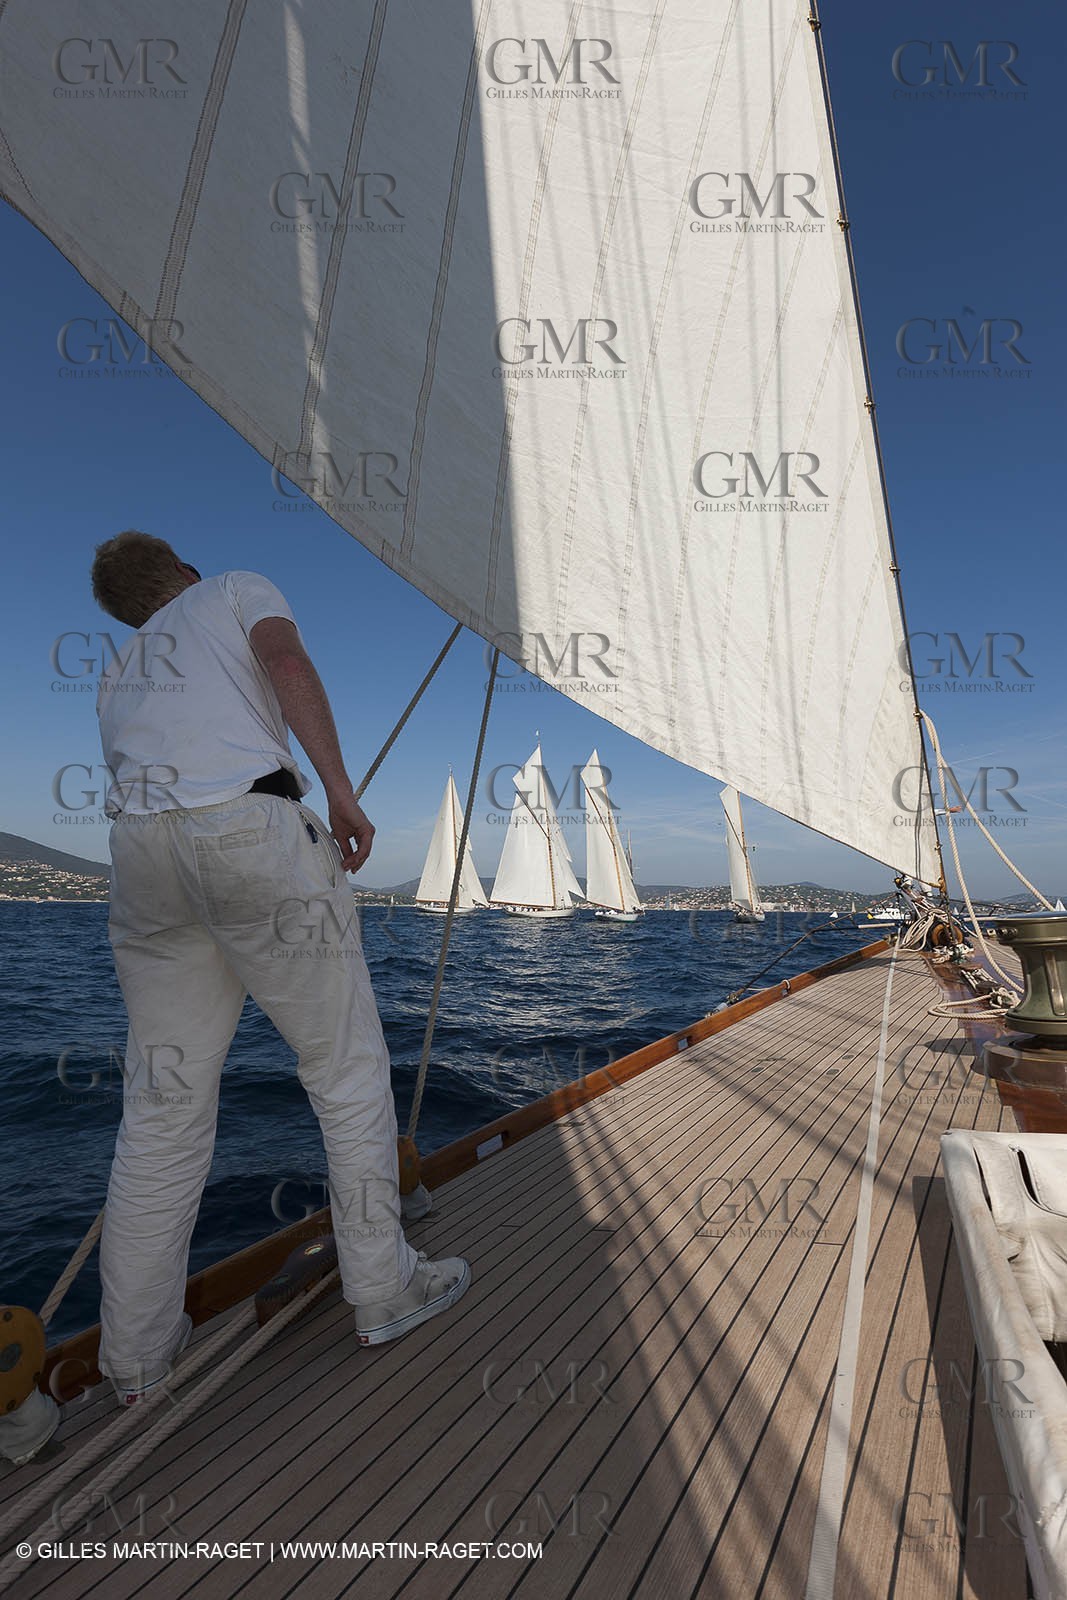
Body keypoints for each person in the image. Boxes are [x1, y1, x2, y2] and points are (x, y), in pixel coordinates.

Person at [89, 530, 469, 1404]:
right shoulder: (231, 586)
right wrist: (338, 788)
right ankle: (384, 1286)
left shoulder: (116, 675)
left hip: (142, 861)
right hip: (250, 832)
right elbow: (285, 660)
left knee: (163, 1104)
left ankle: (136, 1360)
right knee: (343, 1069)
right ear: (180, 570)